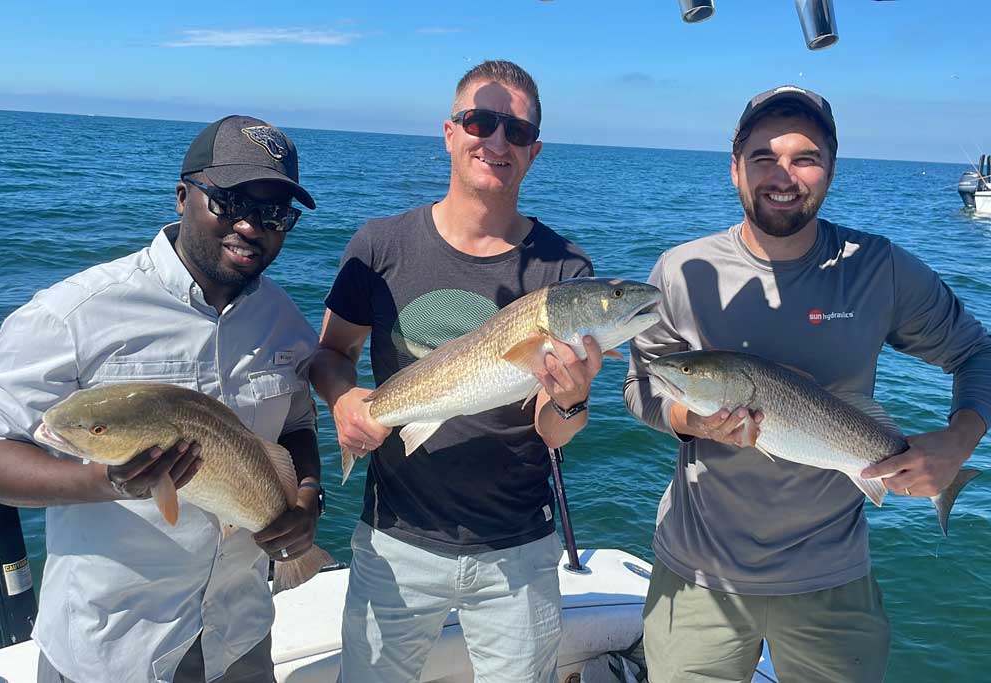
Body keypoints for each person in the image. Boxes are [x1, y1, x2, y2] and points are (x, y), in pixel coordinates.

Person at [624, 85, 991, 682]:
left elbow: (978, 350)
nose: (782, 175)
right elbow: (642, 383)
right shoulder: (679, 271)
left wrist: (958, 442)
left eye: (805, 157)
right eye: (763, 157)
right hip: (697, 575)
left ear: (831, 169)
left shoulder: (879, 268)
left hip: (833, 580)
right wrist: (688, 420)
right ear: (735, 168)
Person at [0, 115, 324, 683]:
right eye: (229, 202)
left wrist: (307, 497)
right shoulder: (72, 315)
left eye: (275, 213)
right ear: (184, 196)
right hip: (112, 646)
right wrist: (104, 482)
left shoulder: (283, 321)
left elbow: (297, 424)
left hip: (240, 636)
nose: (252, 226)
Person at [310, 60, 599, 683]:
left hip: (519, 548)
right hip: (394, 537)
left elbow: (556, 431)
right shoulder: (380, 246)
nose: (497, 142)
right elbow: (331, 356)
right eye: (481, 121)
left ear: (534, 151)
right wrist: (343, 403)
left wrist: (572, 403)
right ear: (450, 131)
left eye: (516, 132)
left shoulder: (565, 272)